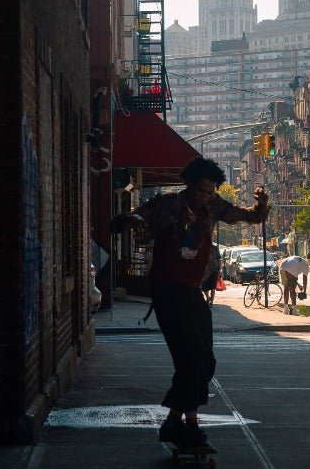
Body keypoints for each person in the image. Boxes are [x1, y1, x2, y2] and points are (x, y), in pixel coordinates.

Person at [109, 157, 270, 451]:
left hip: (192, 290)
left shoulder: (213, 206)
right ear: (189, 185)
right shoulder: (168, 204)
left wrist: (261, 206)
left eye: (210, 192)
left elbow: (249, 217)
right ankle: (191, 427)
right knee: (190, 357)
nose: (205, 198)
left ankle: (173, 421)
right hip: (167, 290)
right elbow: (139, 217)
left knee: (205, 361)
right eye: (200, 191)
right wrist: (129, 220)